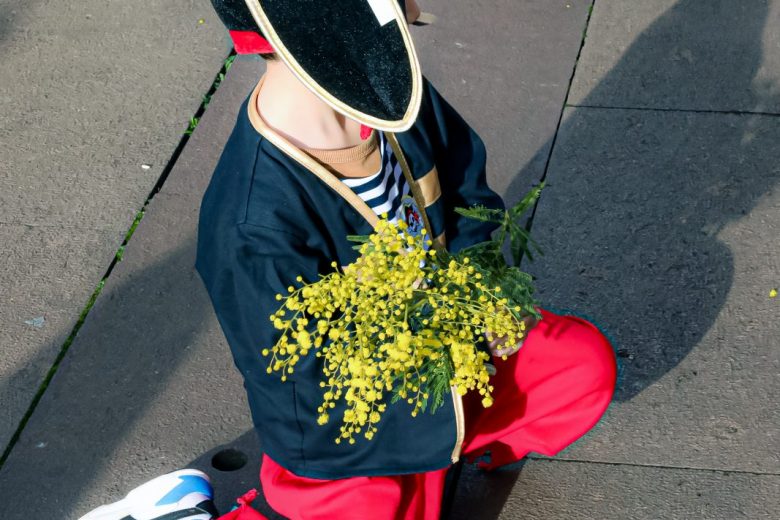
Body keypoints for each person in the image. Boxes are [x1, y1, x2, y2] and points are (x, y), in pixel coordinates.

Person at [81, 1, 617, 518]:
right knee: (372, 507)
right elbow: (304, 386)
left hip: (450, 360)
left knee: (583, 366)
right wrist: (434, 405)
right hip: (357, 436)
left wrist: (481, 303)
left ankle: (455, 455)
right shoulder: (251, 219)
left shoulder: (385, 96)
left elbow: (466, 193)